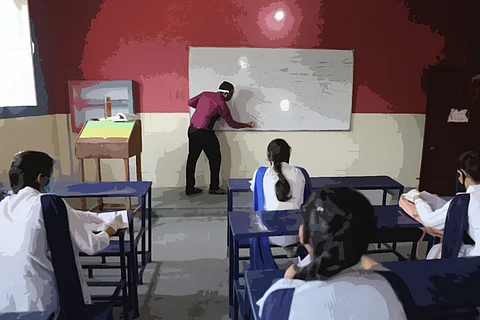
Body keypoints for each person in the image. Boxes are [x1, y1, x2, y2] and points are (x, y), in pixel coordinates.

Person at [0, 151, 124, 319]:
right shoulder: (48, 204)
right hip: (40, 304)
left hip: (5, 304)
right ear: (40, 178)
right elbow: (91, 245)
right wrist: (110, 229)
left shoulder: (4, 204)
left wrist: (92, 218)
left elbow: (75, 215)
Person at [257, 185, 407, 319]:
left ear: (303, 235)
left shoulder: (280, 299)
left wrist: (289, 281)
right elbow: (384, 273)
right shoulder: (393, 289)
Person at [403, 150, 480, 259]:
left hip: (476, 261)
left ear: (461, 174)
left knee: (436, 250)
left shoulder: (464, 200)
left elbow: (430, 221)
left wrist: (417, 198)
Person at [186, 81, 255, 196]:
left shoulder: (205, 94)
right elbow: (232, 124)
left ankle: (189, 188)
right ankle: (214, 187)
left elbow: (190, 102)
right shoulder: (221, 105)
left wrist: (203, 109)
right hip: (205, 133)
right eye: (232, 94)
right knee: (215, 159)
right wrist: (247, 124)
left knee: (192, 160)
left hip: (192, 130)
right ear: (226, 94)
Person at [249, 139, 312, 257]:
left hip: (269, 232)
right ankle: (292, 249)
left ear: (269, 157)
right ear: (289, 155)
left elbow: (255, 190)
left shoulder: (260, 174)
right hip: (298, 233)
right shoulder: (301, 173)